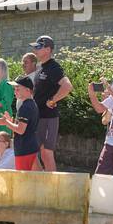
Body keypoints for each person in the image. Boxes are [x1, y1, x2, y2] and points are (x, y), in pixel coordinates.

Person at [30, 36, 71, 172]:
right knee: (34, 152)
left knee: (46, 153)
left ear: (48, 49)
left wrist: (53, 100)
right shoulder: (40, 67)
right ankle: (41, 180)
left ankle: (53, 188)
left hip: (48, 117)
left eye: (38, 47)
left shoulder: (54, 67)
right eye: (34, 47)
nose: (34, 49)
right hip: (37, 116)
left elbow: (67, 86)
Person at [0, 75, 40, 171]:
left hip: (25, 149)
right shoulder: (31, 104)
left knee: (24, 181)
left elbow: (21, 130)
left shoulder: (25, 107)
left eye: (17, 89)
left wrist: (6, 123)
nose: (15, 91)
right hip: (29, 148)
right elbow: (22, 127)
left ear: (27, 90)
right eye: (15, 89)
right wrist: (10, 121)